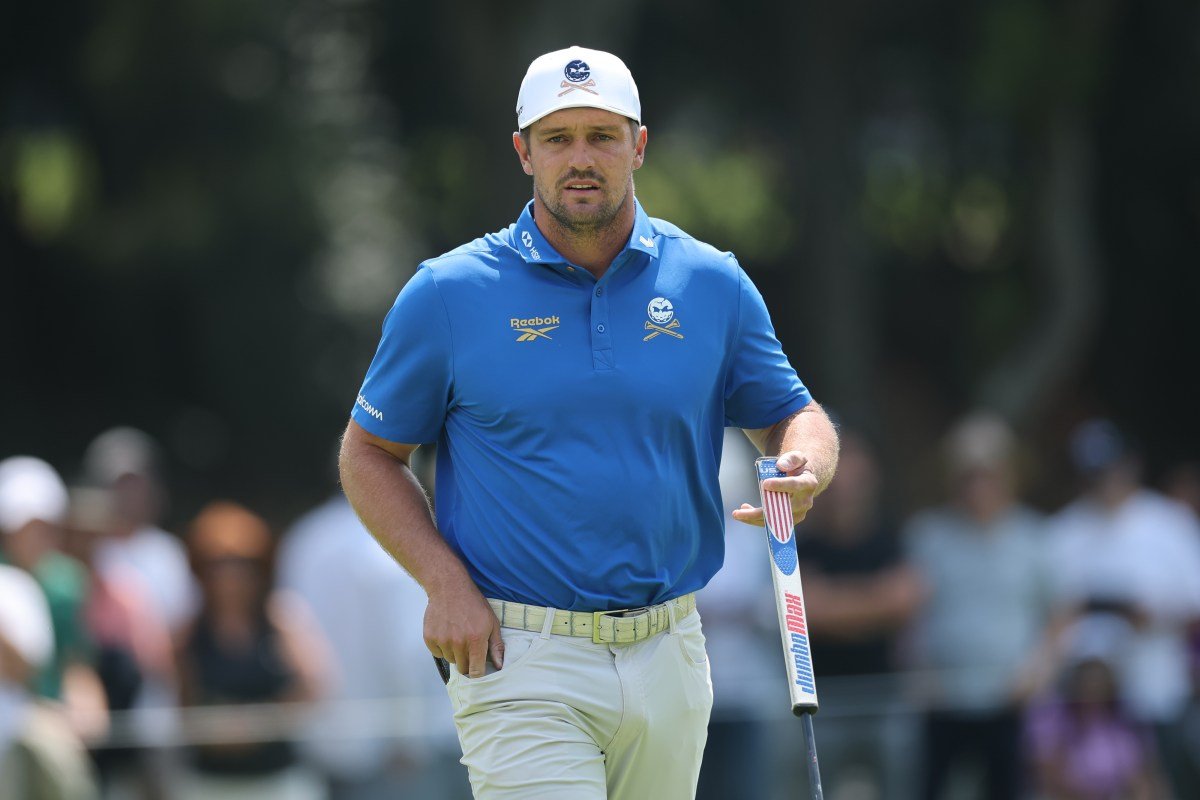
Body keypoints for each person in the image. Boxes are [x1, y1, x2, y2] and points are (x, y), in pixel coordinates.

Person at [338, 45, 839, 800]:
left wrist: (806, 465)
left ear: (638, 145)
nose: (580, 158)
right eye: (557, 138)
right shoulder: (447, 292)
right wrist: (442, 582)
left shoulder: (711, 282)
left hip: (672, 647)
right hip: (519, 654)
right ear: (523, 152)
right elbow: (369, 453)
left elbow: (792, 415)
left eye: (602, 136)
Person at [277, 484, 469, 800]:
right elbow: (405, 651)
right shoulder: (389, 543)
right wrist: (408, 740)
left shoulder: (305, 536)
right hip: (394, 750)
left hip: (324, 741)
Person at [1046, 419, 1200, 797]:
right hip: (1084, 705)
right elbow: (1050, 614)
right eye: (1094, 473)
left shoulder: (1170, 523)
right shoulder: (1061, 532)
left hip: (1155, 689)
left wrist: (1153, 614)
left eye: (1110, 469)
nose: (1105, 481)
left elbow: (1194, 603)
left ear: (1131, 464)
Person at [903, 413, 1051, 800]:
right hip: (941, 699)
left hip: (1010, 702)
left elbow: (1061, 616)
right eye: (969, 475)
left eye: (988, 473)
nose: (978, 485)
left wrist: (1038, 671)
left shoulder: (1035, 537)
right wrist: (916, 670)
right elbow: (908, 615)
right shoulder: (927, 535)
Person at [794, 430, 922, 798]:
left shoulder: (891, 538)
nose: (846, 493)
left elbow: (904, 601)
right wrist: (875, 603)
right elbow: (808, 611)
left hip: (886, 695)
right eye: (838, 484)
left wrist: (835, 603)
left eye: (855, 482)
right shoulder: (805, 543)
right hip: (821, 702)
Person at [174, 501, 330, 800]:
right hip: (209, 782)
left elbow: (315, 686)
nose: (231, 577)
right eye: (218, 565)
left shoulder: (284, 619)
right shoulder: (188, 632)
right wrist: (218, 732)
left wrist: (260, 724)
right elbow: (183, 705)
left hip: (277, 779)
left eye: (243, 564)